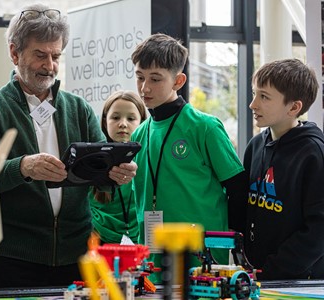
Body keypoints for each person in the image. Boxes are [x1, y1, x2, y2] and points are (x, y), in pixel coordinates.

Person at [0, 3, 137, 288]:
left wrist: (114, 176)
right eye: (40, 55)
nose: (50, 65)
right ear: (14, 52)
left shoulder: (78, 108)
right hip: (12, 258)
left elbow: (98, 178)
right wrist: (23, 167)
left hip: (77, 256)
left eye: (56, 56)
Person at [129, 33, 247, 283]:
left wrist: (236, 249)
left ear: (178, 81)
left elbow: (237, 188)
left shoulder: (204, 127)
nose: (144, 87)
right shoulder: (139, 134)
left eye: (155, 79)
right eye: (139, 77)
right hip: (152, 257)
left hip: (201, 260)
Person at [240, 58, 324, 279]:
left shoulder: (314, 153)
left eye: (264, 97)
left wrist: (273, 269)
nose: (253, 104)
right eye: (254, 93)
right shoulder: (255, 145)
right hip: (259, 275)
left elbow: (319, 229)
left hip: (301, 282)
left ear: (294, 107)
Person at [89, 90, 147, 245]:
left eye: (131, 118)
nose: (123, 123)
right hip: (98, 243)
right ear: (104, 121)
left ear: (142, 122)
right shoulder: (91, 160)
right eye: (115, 117)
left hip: (140, 243)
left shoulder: (149, 161)